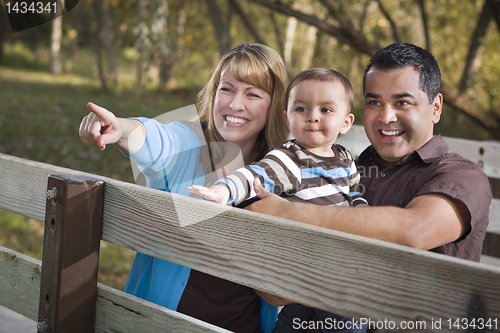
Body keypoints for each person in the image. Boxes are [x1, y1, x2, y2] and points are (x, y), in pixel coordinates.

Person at [246, 42, 492, 332]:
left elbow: (413, 231)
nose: (386, 117)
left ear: (435, 107)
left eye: (403, 102)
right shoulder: (347, 170)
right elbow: (275, 288)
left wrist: (286, 212)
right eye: (374, 102)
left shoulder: (461, 176)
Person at [79, 42, 290, 333]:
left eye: (252, 94)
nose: (235, 104)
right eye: (227, 89)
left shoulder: (281, 168)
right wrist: (121, 129)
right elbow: (156, 140)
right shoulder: (189, 142)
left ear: (275, 104)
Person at [189, 68, 368, 333]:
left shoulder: (344, 158)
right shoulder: (289, 158)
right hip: (304, 269)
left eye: (326, 110)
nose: (313, 118)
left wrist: (363, 220)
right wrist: (224, 190)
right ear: (287, 118)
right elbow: (254, 175)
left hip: (337, 267)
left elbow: (355, 194)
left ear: (346, 122)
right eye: (301, 109)